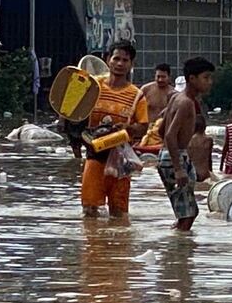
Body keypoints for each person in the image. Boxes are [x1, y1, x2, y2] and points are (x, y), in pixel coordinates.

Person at [80, 40, 149, 219]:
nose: (120, 64)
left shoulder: (137, 95)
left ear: (131, 65)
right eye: (116, 58)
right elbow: (73, 111)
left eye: (125, 60)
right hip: (95, 155)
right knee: (89, 211)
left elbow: (143, 127)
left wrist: (128, 128)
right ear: (107, 59)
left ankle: (118, 246)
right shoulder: (93, 87)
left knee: (119, 213)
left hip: (121, 159)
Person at [157, 57, 215, 231]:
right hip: (175, 158)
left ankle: (178, 246)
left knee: (188, 212)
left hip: (172, 156)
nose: (209, 82)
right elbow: (169, 135)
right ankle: (177, 253)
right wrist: (178, 168)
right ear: (192, 78)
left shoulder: (175, 97)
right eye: (206, 77)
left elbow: (161, 130)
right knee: (188, 214)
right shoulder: (186, 103)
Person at [187, 115, 214, 182]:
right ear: (205, 127)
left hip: (192, 173)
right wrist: (211, 173)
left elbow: (187, 160)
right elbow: (209, 160)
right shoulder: (209, 140)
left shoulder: (188, 140)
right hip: (204, 173)